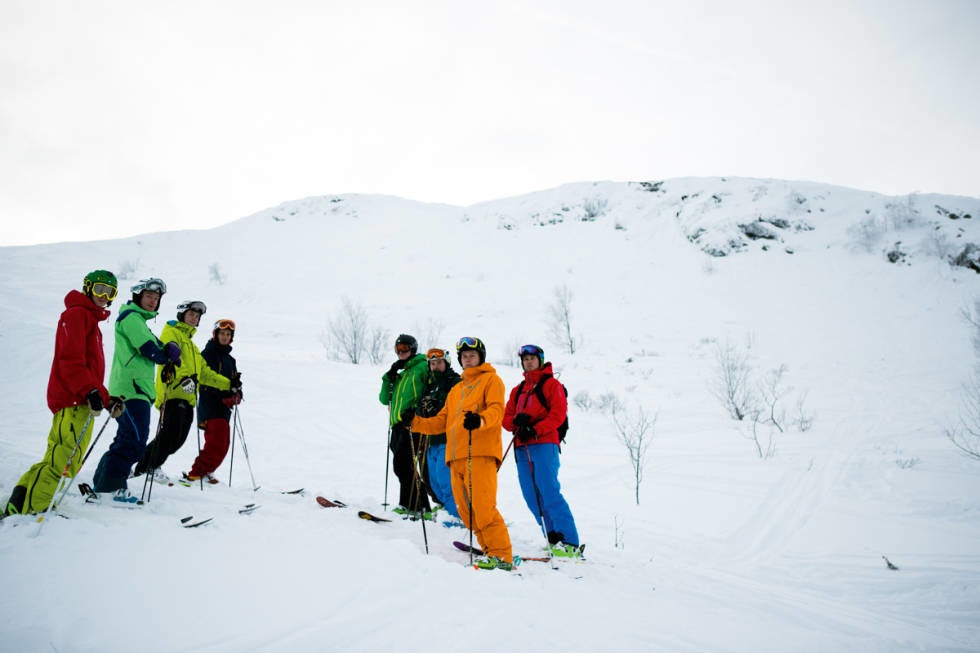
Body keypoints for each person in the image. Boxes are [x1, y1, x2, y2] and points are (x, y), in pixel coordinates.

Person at [3, 270, 126, 516]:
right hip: (73, 400)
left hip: (81, 400)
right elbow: (69, 360)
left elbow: (89, 369)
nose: (104, 296)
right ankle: (34, 510)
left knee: (62, 459)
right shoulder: (77, 315)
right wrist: (89, 390)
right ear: (88, 287)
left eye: (109, 292)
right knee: (63, 461)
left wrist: (105, 397)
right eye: (100, 289)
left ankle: (22, 500)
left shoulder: (90, 320)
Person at [407, 337, 514, 570]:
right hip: (455, 457)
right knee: (467, 511)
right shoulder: (457, 389)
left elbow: (497, 409)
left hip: (479, 452)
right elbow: (440, 422)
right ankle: (489, 550)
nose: (468, 359)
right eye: (464, 356)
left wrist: (481, 420)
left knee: (484, 507)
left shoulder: (491, 380)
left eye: (472, 356)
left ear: (481, 358)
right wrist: (414, 422)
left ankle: (502, 555)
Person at [92, 278, 181, 497]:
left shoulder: (139, 321)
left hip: (135, 389)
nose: (153, 301)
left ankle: (103, 482)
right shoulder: (131, 317)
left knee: (127, 438)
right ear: (138, 296)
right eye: (149, 296)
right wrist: (164, 355)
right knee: (134, 440)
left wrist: (169, 348)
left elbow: (156, 345)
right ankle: (111, 487)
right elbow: (148, 348)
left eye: (156, 298)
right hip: (129, 390)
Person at [134, 300, 235, 484]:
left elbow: (206, 374)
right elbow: (172, 356)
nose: (194, 319)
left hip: (188, 397)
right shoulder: (172, 332)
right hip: (172, 392)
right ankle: (146, 468)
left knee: (178, 439)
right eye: (191, 315)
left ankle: (147, 466)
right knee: (169, 435)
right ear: (182, 315)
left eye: (197, 317)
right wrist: (183, 379)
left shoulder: (193, 347)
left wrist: (229, 384)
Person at [502, 344, 583, 557]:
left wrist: (534, 429)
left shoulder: (551, 385)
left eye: (532, 358)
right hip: (521, 447)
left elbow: (558, 414)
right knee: (532, 496)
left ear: (540, 360)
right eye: (525, 359)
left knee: (549, 492)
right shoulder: (517, 390)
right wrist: (517, 423)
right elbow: (506, 419)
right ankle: (553, 537)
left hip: (545, 444)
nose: (528, 362)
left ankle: (570, 543)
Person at [183, 318, 242, 484]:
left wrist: (237, 393)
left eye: (228, 334)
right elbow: (205, 379)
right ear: (215, 335)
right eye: (222, 333)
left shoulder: (230, 360)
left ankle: (207, 471)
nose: (225, 337)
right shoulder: (208, 354)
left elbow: (233, 382)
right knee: (216, 443)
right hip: (211, 406)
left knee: (224, 444)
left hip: (224, 409)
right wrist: (225, 393)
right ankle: (195, 474)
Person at [378, 334, 430, 516]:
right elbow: (384, 399)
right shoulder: (401, 374)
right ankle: (414, 505)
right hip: (397, 425)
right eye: (398, 350)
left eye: (405, 349)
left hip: (412, 424)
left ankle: (417, 506)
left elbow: (429, 390)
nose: (401, 353)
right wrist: (389, 377)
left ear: (413, 349)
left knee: (402, 464)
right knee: (403, 466)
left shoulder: (423, 366)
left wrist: (417, 411)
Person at [415, 348, 462, 520]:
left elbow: (457, 406)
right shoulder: (430, 386)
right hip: (431, 440)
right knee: (433, 481)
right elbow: (421, 408)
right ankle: (445, 509)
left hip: (448, 439)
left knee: (446, 481)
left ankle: (457, 515)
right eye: (432, 364)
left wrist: (438, 405)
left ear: (447, 363)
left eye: (439, 363)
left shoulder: (455, 382)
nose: (435, 366)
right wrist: (424, 409)